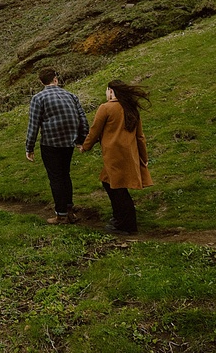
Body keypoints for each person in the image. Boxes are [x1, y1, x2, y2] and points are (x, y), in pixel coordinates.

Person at [80, 79, 154, 235]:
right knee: (110, 184)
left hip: (114, 155)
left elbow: (94, 131)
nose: (106, 93)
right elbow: (140, 136)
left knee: (117, 189)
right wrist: (143, 156)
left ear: (111, 91)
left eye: (107, 90)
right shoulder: (131, 108)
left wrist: (85, 146)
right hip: (129, 154)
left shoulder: (106, 108)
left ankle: (126, 224)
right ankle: (119, 219)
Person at [25, 68, 89, 225]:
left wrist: (29, 147)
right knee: (65, 175)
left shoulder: (38, 98)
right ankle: (69, 211)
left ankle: (61, 215)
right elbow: (82, 119)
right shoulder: (71, 96)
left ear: (41, 82)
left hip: (50, 143)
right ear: (55, 79)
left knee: (56, 178)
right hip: (69, 143)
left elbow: (34, 125)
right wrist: (81, 140)